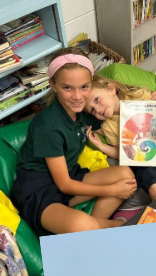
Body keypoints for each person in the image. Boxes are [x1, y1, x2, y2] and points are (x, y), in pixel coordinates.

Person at [9, 49, 136, 234]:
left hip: (70, 176)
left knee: (126, 176)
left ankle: (95, 225)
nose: (77, 96)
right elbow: (64, 184)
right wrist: (112, 190)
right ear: (53, 85)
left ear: (92, 83)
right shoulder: (48, 126)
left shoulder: (85, 111)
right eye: (67, 88)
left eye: (84, 87)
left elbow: (116, 109)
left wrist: (149, 100)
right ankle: (113, 227)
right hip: (38, 190)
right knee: (80, 225)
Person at [83, 75, 156, 203]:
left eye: (97, 100)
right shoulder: (108, 126)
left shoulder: (138, 96)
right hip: (142, 163)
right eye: (92, 110)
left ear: (111, 89)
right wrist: (101, 146)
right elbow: (121, 153)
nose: (97, 109)